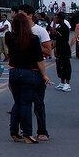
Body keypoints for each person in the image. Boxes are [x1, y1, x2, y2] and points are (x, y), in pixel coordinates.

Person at [7, 11, 48, 143]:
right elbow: (39, 59)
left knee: (17, 102)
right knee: (26, 103)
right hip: (29, 72)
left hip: (14, 71)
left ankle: (14, 131)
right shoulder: (33, 38)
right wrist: (44, 75)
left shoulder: (9, 36)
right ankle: (27, 133)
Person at [22, 5, 53, 140]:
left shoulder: (40, 31)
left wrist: (33, 48)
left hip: (36, 69)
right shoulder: (16, 31)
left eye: (22, 14)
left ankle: (42, 130)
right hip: (21, 69)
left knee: (38, 102)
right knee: (23, 103)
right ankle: (25, 130)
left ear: (29, 15)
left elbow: (48, 51)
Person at [51, 11, 73, 91]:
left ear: (60, 18)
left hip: (64, 49)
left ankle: (67, 83)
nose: (55, 19)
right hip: (59, 48)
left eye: (57, 18)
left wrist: (53, 23)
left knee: (66, 65)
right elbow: (56, 38)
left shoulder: (64, 27)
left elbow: (54, 32)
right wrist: (54, 47)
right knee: (59, 65)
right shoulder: (59, 26)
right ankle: (62, 82)